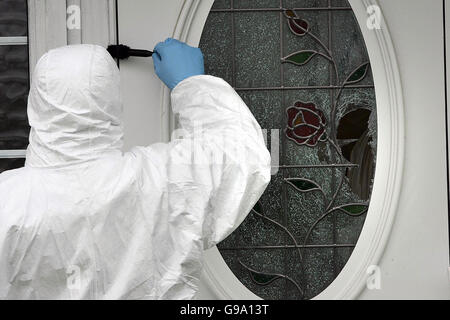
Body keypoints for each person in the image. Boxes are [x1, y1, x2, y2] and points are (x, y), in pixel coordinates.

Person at [0, 38, 271, 299]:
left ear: (35, 103)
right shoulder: (157, 181)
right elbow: (241, 153)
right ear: (112, 100)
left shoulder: (8, 202)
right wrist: (190, 82)